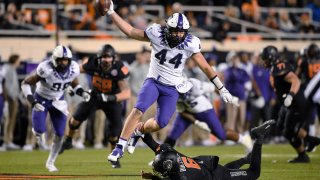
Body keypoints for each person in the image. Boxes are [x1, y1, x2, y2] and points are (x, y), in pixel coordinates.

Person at [101, 0, 234, 163]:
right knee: (138, 110)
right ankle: (119, 147)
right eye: (175, 31)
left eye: (181, 31)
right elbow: (130, 31)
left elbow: (205, 67)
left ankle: (139, 130)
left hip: (172, 88)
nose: (178, 34)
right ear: (167, 28)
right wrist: (111, 13)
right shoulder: (156, 33)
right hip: (154, 82)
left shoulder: (191, 43)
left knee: (161, 122)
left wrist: (221, 88)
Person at [59, 44, 131, 168]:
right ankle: (68, 140)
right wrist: (75, 87)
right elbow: (72, 72)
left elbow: (127, 93)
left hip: (112, 100)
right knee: (75, 120)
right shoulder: (92, 63)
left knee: (114, 134)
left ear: (114, 58)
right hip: (95, 96)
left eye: (108, 57)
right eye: (103, 57)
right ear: (99, 58)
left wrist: (111, 97)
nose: (106, 60)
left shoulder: (119, 68)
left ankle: (113, 157)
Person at [21, 45, 90, 172]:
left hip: (58, 101)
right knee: (40, 130)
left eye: (66, 60)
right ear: (54, 59)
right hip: (41, 98)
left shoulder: (74, 68)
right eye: (60, 60)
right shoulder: (45, 68)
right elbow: (25, 83)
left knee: (59, 133)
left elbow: (73, 83)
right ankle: (37, 132)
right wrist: (32, 101)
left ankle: (51, 162)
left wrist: (82, 92)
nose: (63, 63)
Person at [140, 120, 276, 180]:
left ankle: (259, 138)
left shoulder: (183, 177)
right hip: (209, 167)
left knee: (254, 174)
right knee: (227, 171)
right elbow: (152, 143)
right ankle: (247, 158)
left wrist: (153, 178)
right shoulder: (170, 153)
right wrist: (141, 131)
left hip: (216, 176)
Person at [260, 45, 320, 163]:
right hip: (288, 104)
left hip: (296, 103)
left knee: (288, 131)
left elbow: (295, 80)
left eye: (265, 59)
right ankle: (309, 143)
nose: (264, 62)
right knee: (282, 127)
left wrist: (291, 96)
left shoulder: (279, 67)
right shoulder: (274, 68)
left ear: (271, 57)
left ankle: (304, 152)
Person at [164, 77, 253, 153]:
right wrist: (196, 122)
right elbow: (181, 111)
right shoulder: (173, 93)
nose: (182, 94)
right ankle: (162, 157)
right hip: (187, 112)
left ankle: (244, 139)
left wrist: (228, 97)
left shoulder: (195, 85)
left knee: (221, 134)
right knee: (172, 135)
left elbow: (213, 88)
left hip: (204, 110)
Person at [3, 54, 20, 150]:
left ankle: (9, 140)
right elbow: (5, 83)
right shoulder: (7, 68)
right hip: (10, 99)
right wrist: (9, 97)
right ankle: (6, 141)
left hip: (14, 98)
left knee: (12, 120)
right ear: (15, 60)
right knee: (9, 119)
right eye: (18, 60)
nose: (19, 62)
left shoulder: (12, 69)